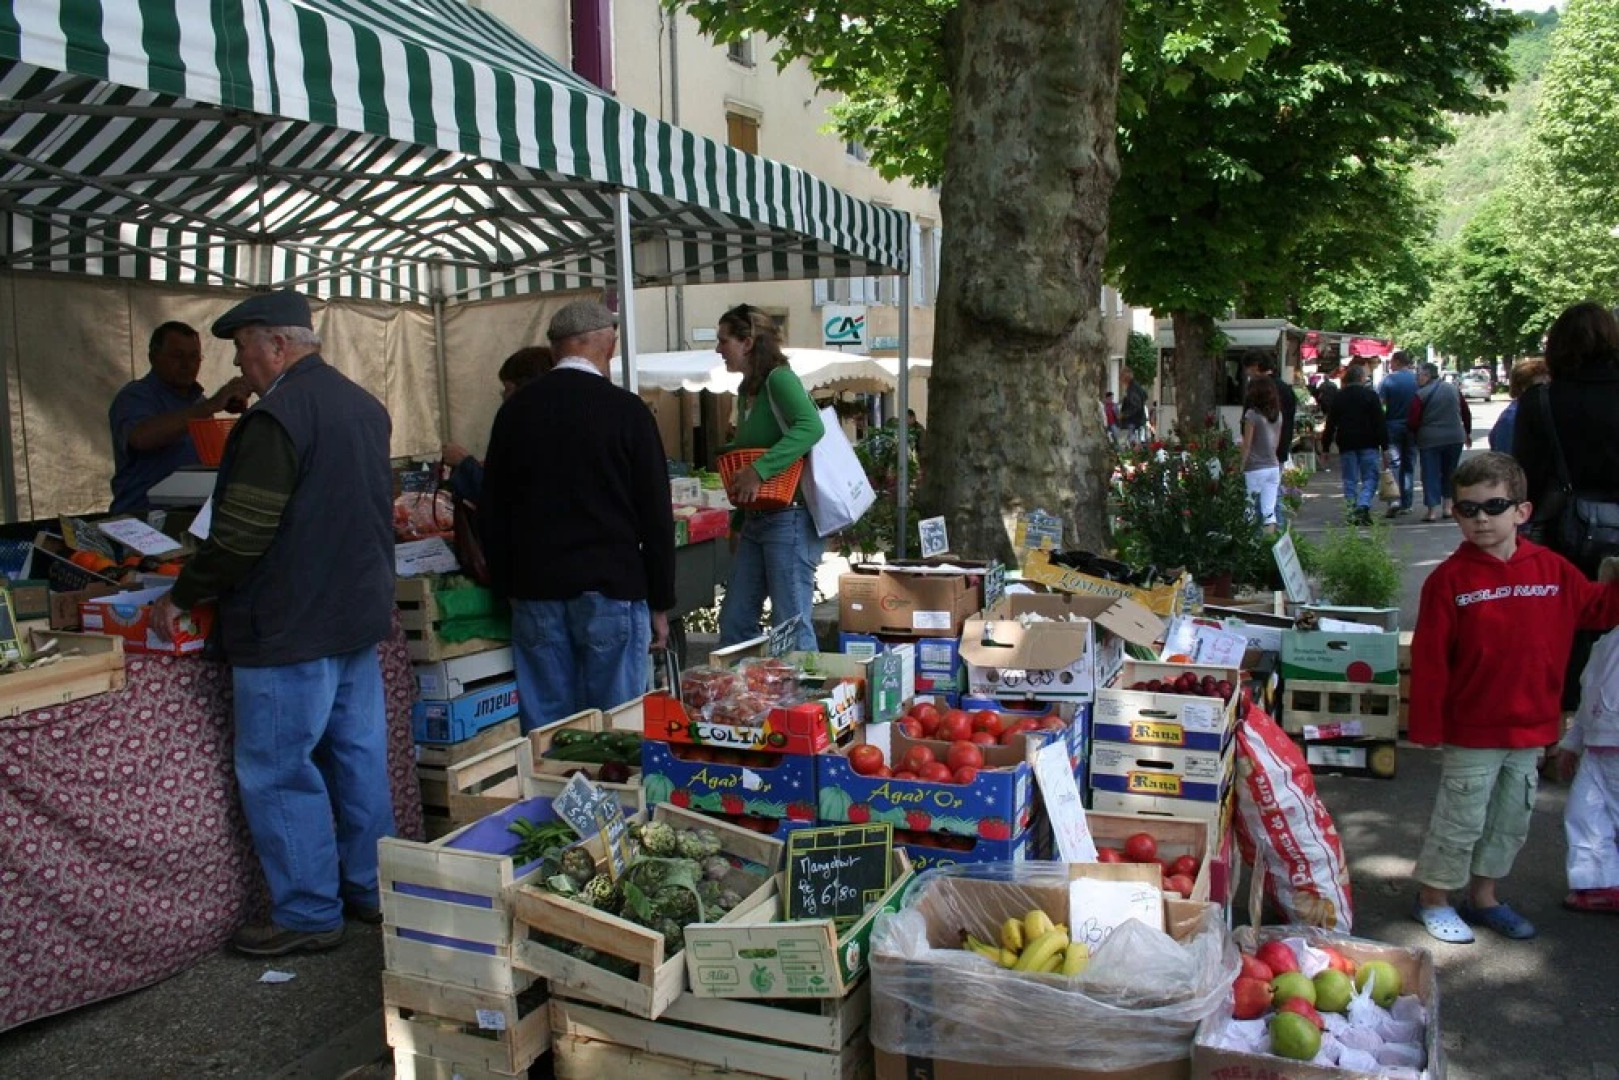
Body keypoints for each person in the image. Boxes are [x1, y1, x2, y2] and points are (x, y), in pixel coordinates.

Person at [151, 290, 396, 957]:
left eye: (242, 349)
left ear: (277, 346)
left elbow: (241, 534)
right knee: (357, 756)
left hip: (290, 623)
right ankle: (375, 887)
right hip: (354, 615)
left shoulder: (276, 417)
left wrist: (184, 593)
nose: (238, 364)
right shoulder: (362, 404)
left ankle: (308, 912)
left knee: (279, 769)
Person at [1408, 453, 1619, 943]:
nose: (1481, 518)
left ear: (1522, 511)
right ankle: (1433, 898)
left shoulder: (1552, 570)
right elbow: (1430, 658)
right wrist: (1427, 725)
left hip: (1530, 730)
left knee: (1509, 821)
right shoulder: (1449, 581)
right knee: (1460, 821)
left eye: (1494, 506)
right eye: (1468, 509)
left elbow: (1597, 608)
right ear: (1456, 513)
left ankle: (1484, 897)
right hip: (1473, 729)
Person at [480, 300, 674, 731]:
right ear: (609, 345)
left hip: (535, 589)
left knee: (548, 730)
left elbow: (493, 507)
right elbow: (656, 515)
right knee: (615, 726)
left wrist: (506, 585)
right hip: (610, 586)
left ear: (555, 350)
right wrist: (661, 601)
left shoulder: (515, 411)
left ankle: (550, 779)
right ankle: (611, 780)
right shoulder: (627, 411)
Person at [715, 304, 825, 651]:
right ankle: (748, 686)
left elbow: (811, 426)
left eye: (724, 341)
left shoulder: (780, 379)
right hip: (757, 520)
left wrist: (759, 470)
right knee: (735, 622)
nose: (718, 349)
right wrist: (739, 521)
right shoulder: (746, 393)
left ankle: (807, 688)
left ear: (747, 343)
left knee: (791, 626)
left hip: (789, 519)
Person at [108, 321, 254, 514]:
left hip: (190, 513)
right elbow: (141, 438)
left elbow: (212, 458)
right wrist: (211, 405)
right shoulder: (134, 396)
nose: (187, 364)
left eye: (194, 357)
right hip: (142, 516)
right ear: (153, 357)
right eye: (177, 356)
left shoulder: (198, 401)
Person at [1555, 556, 1619, 914]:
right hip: (1597, 747)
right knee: (1584, 812)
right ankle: (1598, 882)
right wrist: (1572, 742)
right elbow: (1588, 694)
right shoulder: (1605, 645)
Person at [441, 345, 553, 505]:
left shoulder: (533, 433)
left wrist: (464, 463)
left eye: (508, 389)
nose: (504, 397)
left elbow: (501, 495)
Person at [1320, 363, 1388, 526]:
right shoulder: (1370, 396)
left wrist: (1325, 447)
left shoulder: (1339, 397)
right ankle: (1363, 504)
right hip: (1369, 442)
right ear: (1361, 378)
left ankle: (1351, 510)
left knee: (1350, 479)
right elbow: (1380, 423)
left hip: (1347, 443)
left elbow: (1330, 424)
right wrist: (1385, 447)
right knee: (1370, 477)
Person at [1410, 361, 1472, 523]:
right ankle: (1448, 507)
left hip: (1429, 439)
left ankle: (1431, 511)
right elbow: (1465, 412)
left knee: (1430, 473)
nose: (1416, 378)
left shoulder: (1420, 394)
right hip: (1454, 437)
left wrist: (1416, 433)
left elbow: (1413, 419)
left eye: (1419, 375)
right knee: (1450, 471)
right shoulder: (1454, 389)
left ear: (1427, 375)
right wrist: (1467, 432)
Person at [1239, 375, 1282, 533]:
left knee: (1249, 508)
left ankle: (1249, 542)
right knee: (1269, 512)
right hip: (1273, 466)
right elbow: (1276, 443)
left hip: (1255, 467)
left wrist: (1240, 465)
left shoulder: (1251, 415)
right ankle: (1269, 542)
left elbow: (1247, 444)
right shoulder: (1278, 415)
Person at [1379, 350, 1420, 517]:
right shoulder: (1416, 380)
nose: (1390, 365)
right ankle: (1407, 504)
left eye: (1391, 361)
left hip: (1392, 425)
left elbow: (1381, 405)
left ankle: (1394, 500)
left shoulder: (1388, 380)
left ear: (1396, 361)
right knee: (1409, 465)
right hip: (1412, 427)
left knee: (1394, 463)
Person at [1487, 358, 1550, 456]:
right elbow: (1506, 457)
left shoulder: (1540, 409)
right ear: (1522, 387)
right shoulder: (1513, 416)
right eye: (1541, 386)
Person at [1242, 355, 1294, 466]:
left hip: (1256, 457)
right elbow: (1289, 421)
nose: (1247, 373)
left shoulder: (1255, 390)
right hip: (1278, 452)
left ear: (1255, 366)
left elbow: (1247, 425)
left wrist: (1241, 463)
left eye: (1247, 368)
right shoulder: (1287, 389)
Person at [1117, 367, 1148, 443]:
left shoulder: (1132, 389)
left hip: (1133, 421)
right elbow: (1145, 395)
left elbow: (1136, 406)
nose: (1120, 379)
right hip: (1138, 420)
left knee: (1131, 442)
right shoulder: (1135, 386)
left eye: (1121, 376)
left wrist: (1124, 414)